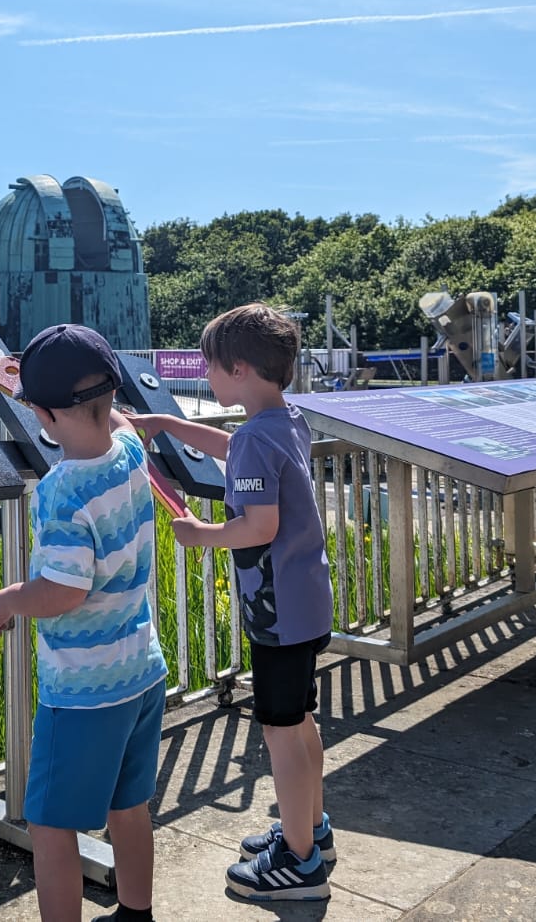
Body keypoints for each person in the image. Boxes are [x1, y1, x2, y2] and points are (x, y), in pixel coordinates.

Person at [128, 303, 334, 902]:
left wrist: (202, 535)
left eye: (209, 367)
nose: (206, 376)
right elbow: (231, 444)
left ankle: (298, 865)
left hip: (278, 615)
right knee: (300, 723)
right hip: (306, 603)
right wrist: (168, 425)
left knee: (279, 732)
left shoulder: (255, 441)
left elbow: (260, 525)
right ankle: (311, 830)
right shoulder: (285, 422)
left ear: (238, 369)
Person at [0, 323, 167, 922]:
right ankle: (135, 912)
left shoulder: (62, 491)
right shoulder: (131, 452)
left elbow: (64, 590)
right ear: (111, 390)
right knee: (129, 806)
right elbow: (109, 420)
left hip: (85, 690)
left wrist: (11, 598)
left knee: (51, 826)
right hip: (141, 670)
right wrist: (34, 392)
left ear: (41, 412)